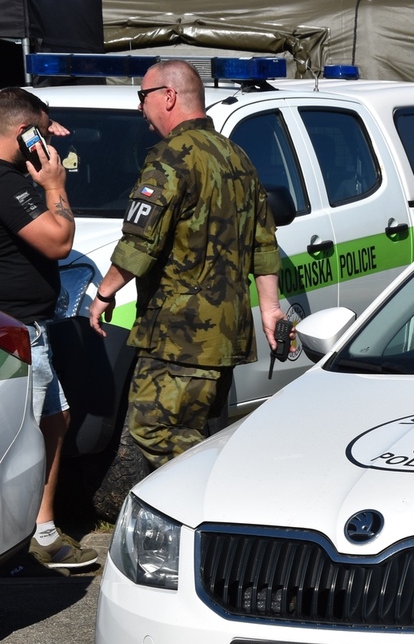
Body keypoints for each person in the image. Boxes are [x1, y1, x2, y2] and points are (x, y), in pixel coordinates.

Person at [87, 59, 285, 468]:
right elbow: (264, 243)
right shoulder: (236, 156)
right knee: (194, 428)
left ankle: (214, 492)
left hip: (179, 334)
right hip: (225, 333)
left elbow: (140, 239)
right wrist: (270, 309)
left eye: (143, 96)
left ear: (169, 96)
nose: (140, 107)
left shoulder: (171, 157)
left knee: (153, 426)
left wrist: (104, 293)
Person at [0, 87, 98, 570]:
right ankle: (22, 538)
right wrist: (56, 184)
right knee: (21, 436)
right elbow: (58, 241)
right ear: (23, 133)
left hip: (28, 329)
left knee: (53, 420)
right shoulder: (7, 184)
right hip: (16, 334)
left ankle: (40, 530)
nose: (47, 143)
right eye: (40, 134)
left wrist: (40, 125)